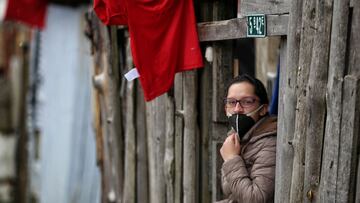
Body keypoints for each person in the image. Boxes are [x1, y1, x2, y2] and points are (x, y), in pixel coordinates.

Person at [218, 74, 277, 203]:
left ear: (263, 109)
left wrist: (232, 159)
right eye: (232, 102)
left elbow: (256, 198)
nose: (237, 109)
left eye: (247, 102)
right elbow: (229, 191)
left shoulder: (270, 142)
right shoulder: (237, 139)